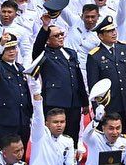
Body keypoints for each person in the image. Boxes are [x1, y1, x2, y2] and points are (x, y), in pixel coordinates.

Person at [32, 15, 88, 145]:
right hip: (55, 100)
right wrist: (45, 27)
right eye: (56, 36)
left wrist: (84, 101)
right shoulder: (44, 54)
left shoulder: (70, 52)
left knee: (72, 135)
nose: (61, 37)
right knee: (55, 136)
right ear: (47, 40)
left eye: (62, 34)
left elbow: (78, 76)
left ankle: (71, 162)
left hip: (74, 101)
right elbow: (37, 47)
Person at [25, 75, 78, 165]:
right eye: (55, 122)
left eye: (62, 122)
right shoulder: (40, 135)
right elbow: (38, 116)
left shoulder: (67, 140)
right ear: (46, 123)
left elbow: (71, 164)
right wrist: (36, 94)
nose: (59, 125)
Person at [87, 15, 126, 120]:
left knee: (122, 132)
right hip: (107, 103)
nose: (114, 33)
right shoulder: (95, 55)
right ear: (101, 36)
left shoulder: (123, 48)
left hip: (123, 99)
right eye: (110, 31)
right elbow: (93, 84)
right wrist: (98, 107)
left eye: (114, 30)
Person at [0, 34, 33, 148]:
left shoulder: (20, 68)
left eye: (13, 48)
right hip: (5, 120)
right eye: (7, 49)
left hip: (22, 119)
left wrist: (30, 113)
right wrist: (0, 45)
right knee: (5, 155)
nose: (11, 51)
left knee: (21, 154)